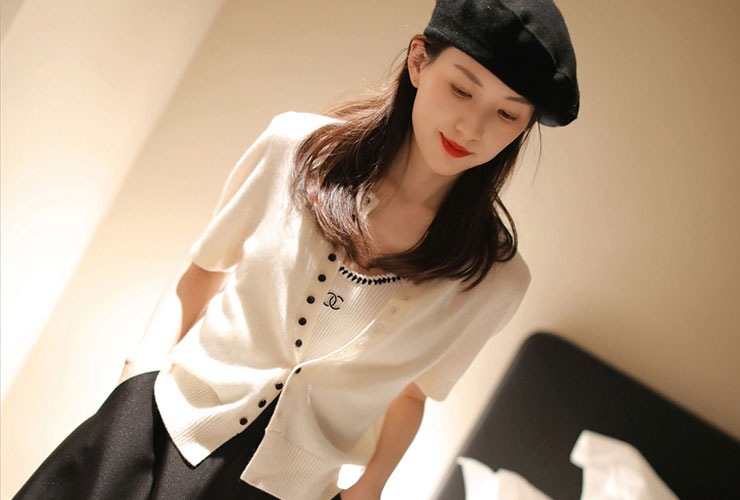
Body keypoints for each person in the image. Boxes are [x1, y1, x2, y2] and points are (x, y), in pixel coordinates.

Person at [14, 0, 579, 498]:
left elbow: (411, 394)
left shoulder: (494, 279)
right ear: (418, 62)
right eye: (461, 89)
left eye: (506, 113)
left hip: (291, 489)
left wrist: (371, 487)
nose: (471, 127)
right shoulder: (294, 148)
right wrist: (133, 384)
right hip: (158, 427)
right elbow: (203, 272)